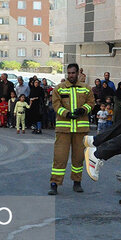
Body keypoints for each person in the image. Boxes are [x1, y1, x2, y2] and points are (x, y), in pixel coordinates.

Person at [49, 63, 95, 195]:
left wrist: (83, 110)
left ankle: (77, 182)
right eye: (69, 73)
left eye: (73, 73)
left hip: (80, 130)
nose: (71, 75)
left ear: (78, 73)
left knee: (78, 158)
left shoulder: (86, 88)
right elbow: (56, 105)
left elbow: (91, 103)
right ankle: (54, 184)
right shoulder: (59, 88)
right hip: (63, 129)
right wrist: (67, 113)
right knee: (59, 157)